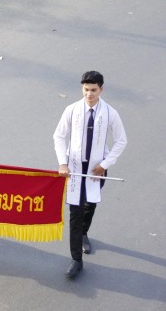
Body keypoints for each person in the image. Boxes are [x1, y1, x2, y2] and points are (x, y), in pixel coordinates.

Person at [53, 71, 127, 278]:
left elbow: (121, 140)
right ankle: (76, 259)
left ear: (101, 89)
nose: (89, 94)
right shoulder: (72, 110)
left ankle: (84, 232)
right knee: (75, 212)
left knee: (90, 204)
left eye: (93, 90)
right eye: (86, 90)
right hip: (75, 169)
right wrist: (62, 162)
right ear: (82, 89)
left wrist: (105, 164)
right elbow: (59, 136)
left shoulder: (110, 113)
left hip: (96, 169)